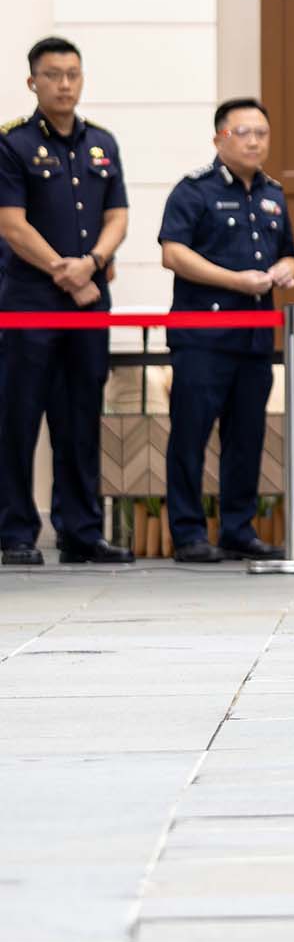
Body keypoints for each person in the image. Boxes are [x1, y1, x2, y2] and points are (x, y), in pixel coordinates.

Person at [0, 36, 133, 565]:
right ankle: (14, 532)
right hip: (29, 301)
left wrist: (93, 264)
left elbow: (117, 216)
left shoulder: (102, 143)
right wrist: (66, 271)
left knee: (80, 418)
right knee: (19, 418)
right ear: (33, 82)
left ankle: (82, 530)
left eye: (73, 74)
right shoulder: (11, 144)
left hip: (88, 302)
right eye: (53, 75)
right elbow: (11, 225)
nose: (64, 84)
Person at [158, 99, 294, 562]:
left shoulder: (274, 194)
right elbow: (173, 254)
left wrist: (283, 270)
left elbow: (291, 253)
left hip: (255, 339)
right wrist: (235, 280)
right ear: (220, 139)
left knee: (246, 438)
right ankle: (189, 533)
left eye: (262, 133)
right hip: (203, 337)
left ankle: (238, 528)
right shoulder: (193, 191)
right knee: (190, 437)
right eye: (244, 132)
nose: (255, 141)